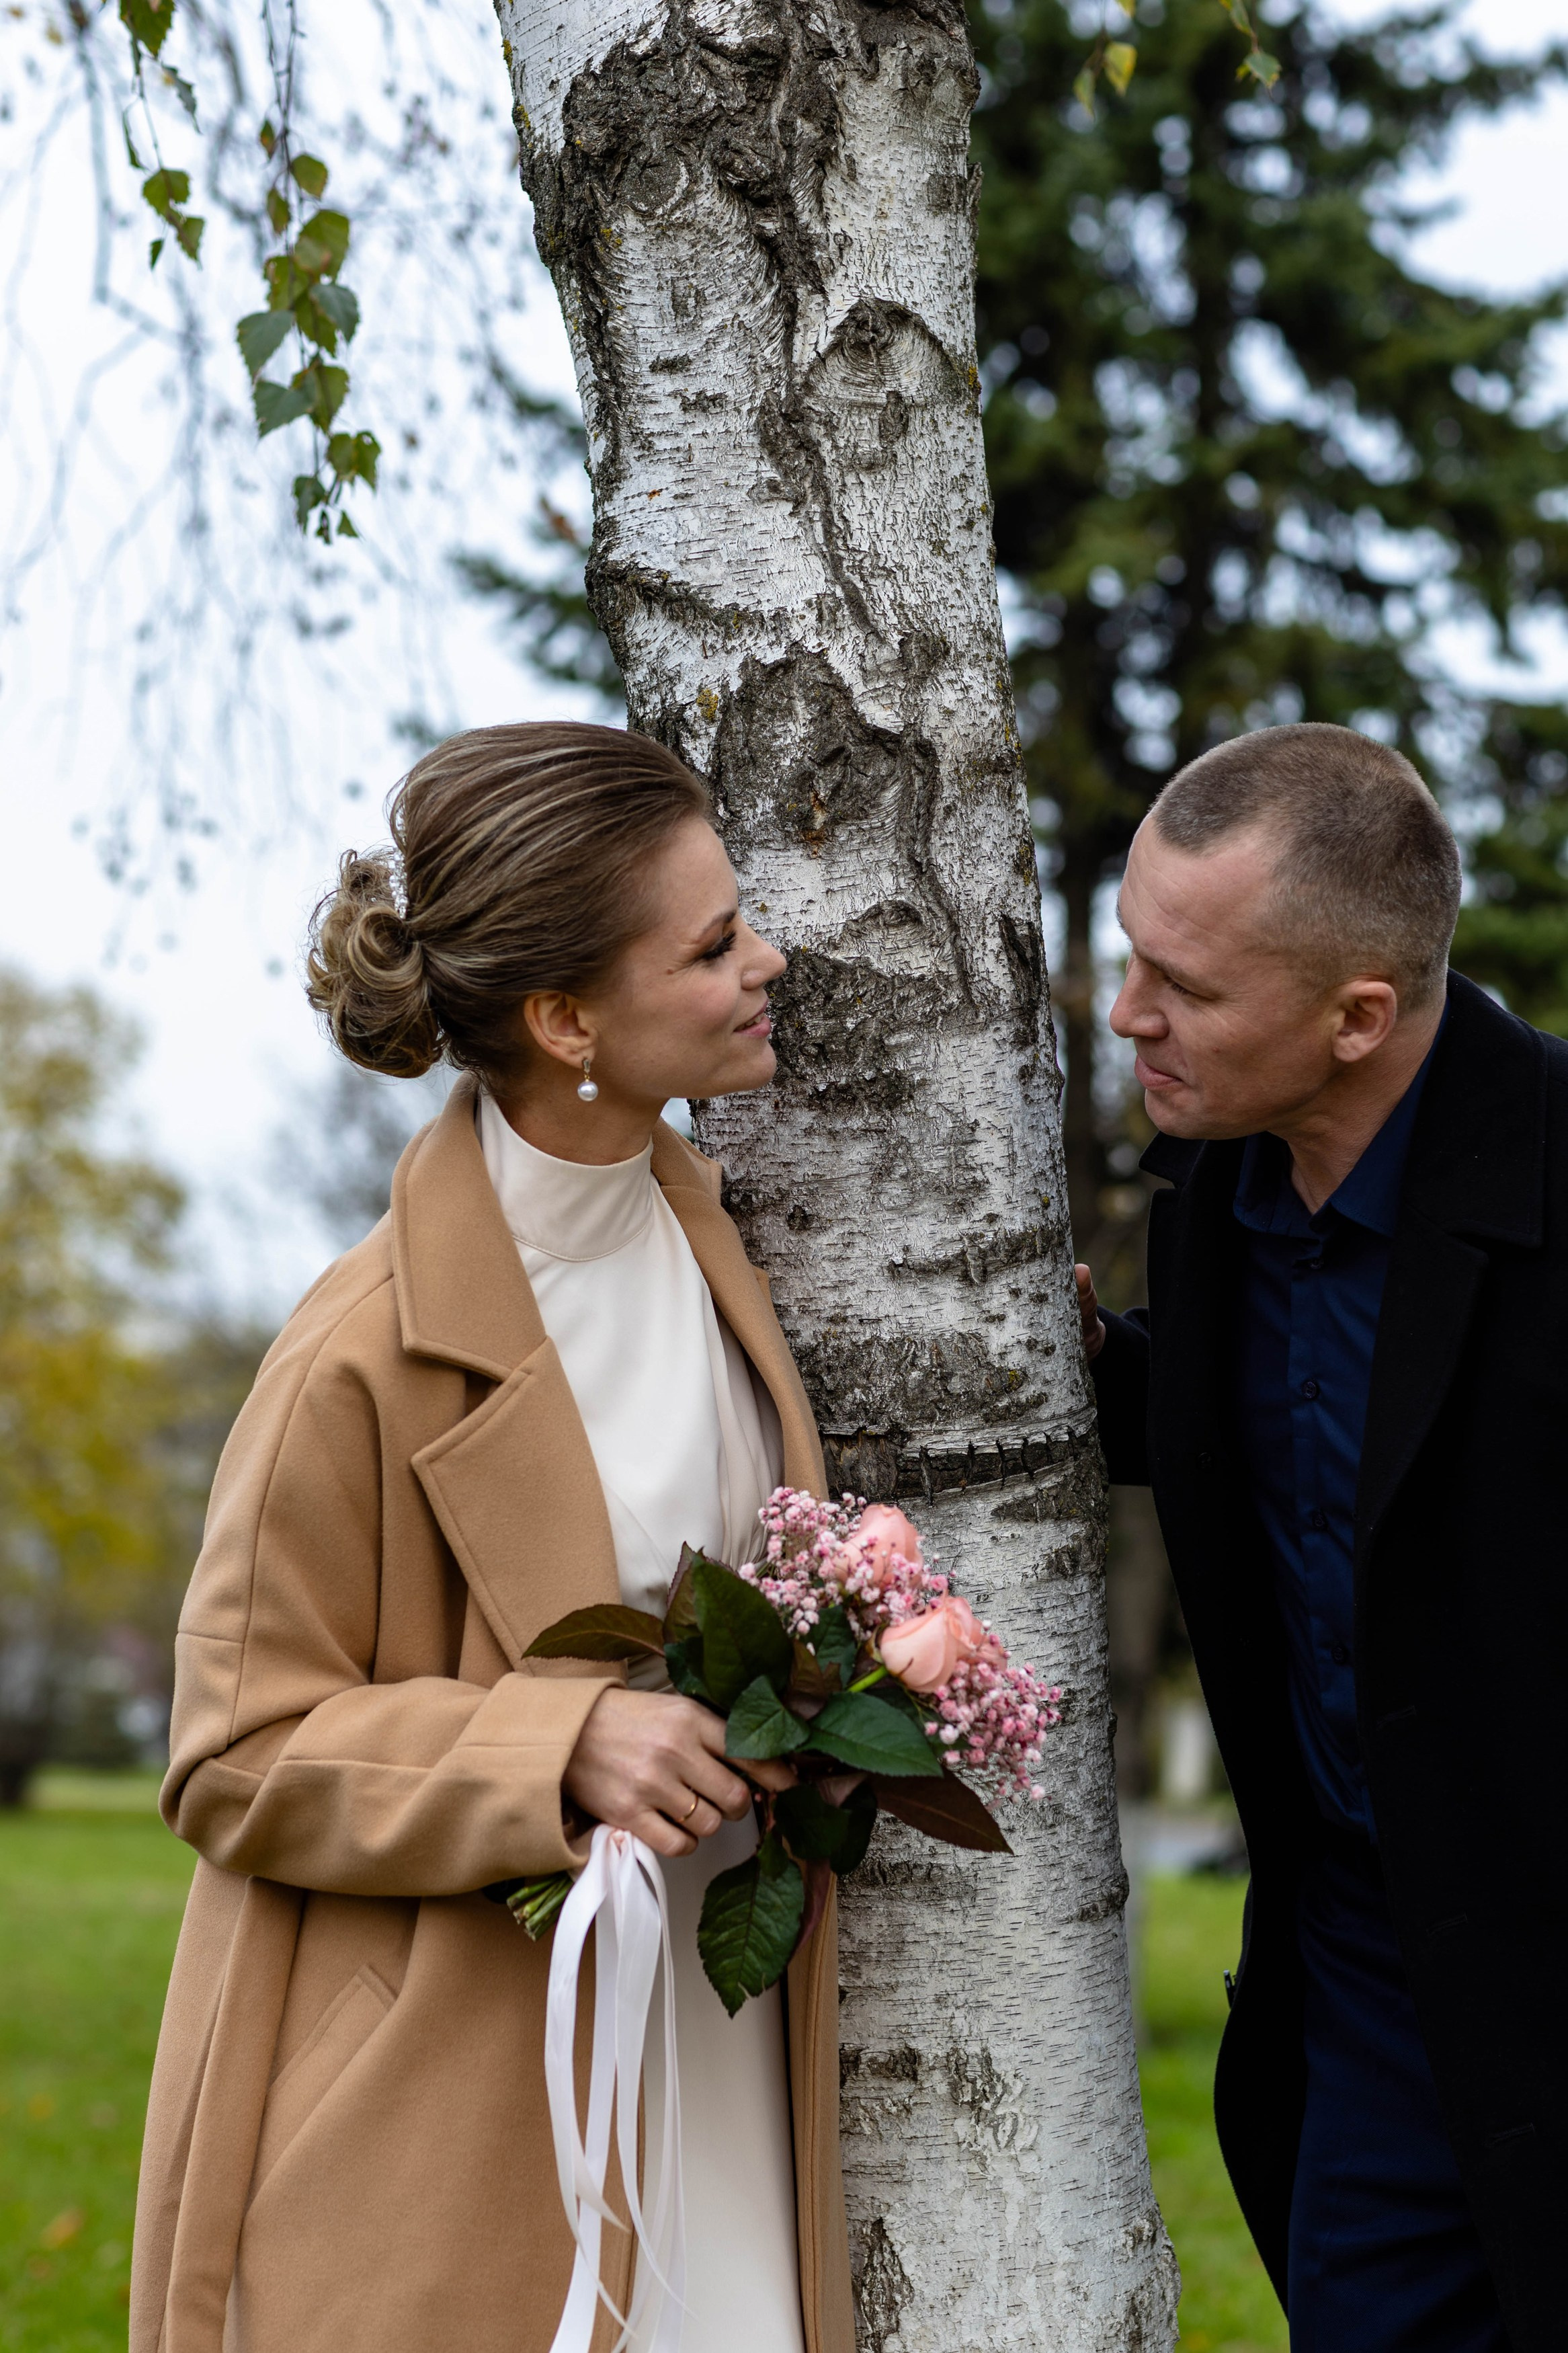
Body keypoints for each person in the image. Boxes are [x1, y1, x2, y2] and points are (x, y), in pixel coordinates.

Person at [130, 722, 855, 2353]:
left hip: (728, 2054)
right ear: (565, 1020)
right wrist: (558, 1743)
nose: (768, 960)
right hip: (462, 2108)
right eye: (714, 944)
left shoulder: (722, 1244)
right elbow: (230, 1751)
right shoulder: (358, 1350)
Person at [1077, 722, 1568, 2353]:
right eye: (1132, 955)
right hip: (1359, 1993)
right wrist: (1071, 1367)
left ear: (1358, 1016)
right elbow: (1299, 1438)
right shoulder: (1221, 1195)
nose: (1129, 1012)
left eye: (1185, 986)